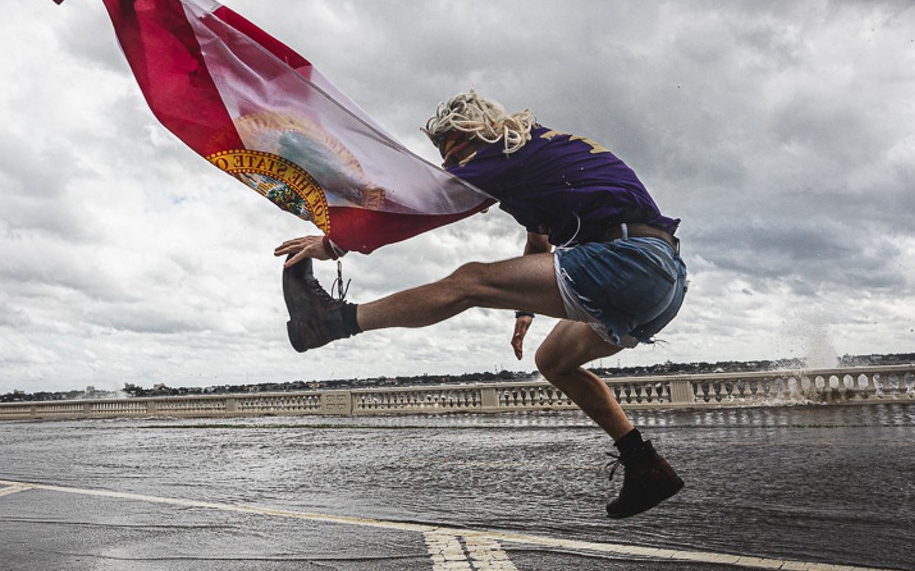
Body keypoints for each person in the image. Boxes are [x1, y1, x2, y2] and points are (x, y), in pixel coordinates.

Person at [274, 91, 688, 518]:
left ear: (476, 132)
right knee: (554, 361)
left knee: (469, 282)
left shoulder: (503, 150)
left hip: (630, 262)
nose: (453, 168)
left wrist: (334, 244)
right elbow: (538, 242)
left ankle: (330, 322)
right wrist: (525, 313)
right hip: (664, 281)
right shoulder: (538, 153)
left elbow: (425, 205)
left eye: (453, 154)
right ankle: (644, 464)